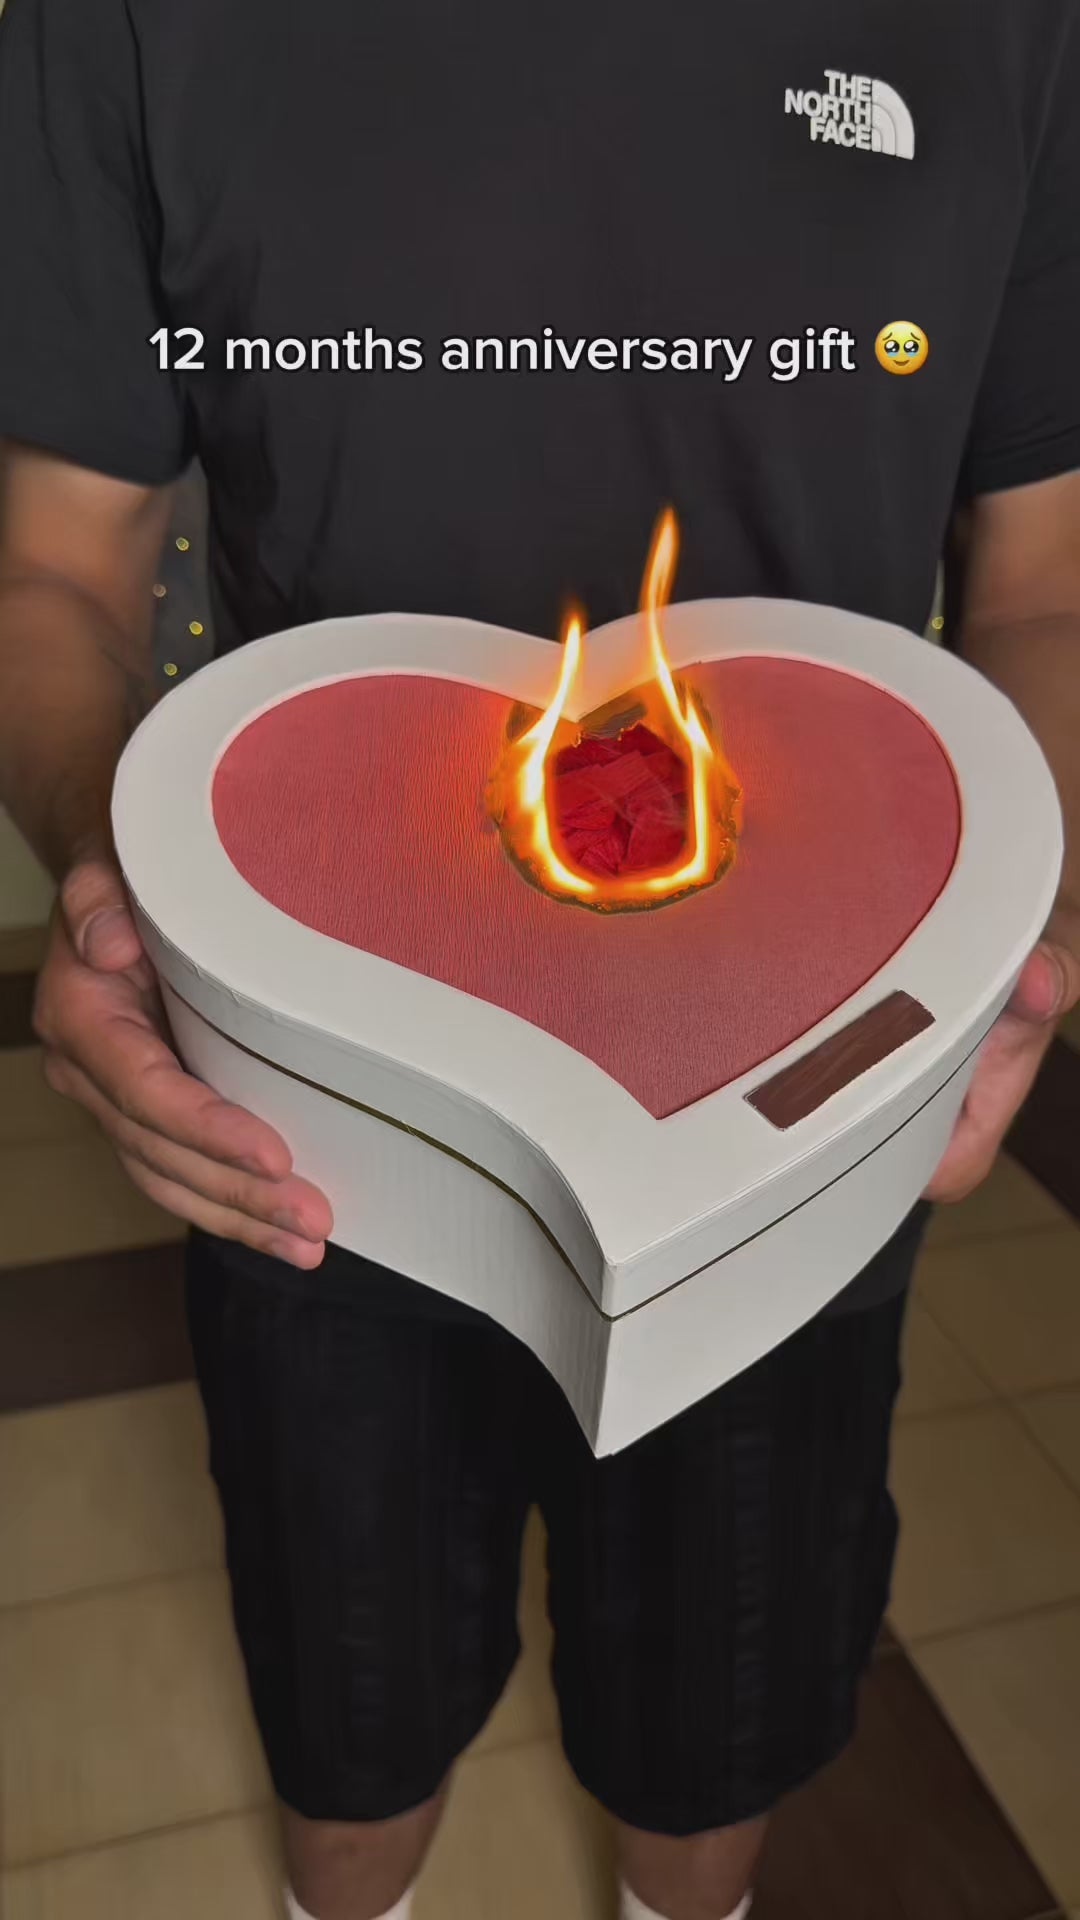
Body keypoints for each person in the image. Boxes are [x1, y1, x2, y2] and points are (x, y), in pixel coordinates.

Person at [0, 3, 1078, 1916]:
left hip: (791, 1125)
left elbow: (1048, 583)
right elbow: (56, 567)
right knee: (351, 1723)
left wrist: (1027, 924)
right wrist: (107, 871)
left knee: (714, 1729)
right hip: (315, 1102)